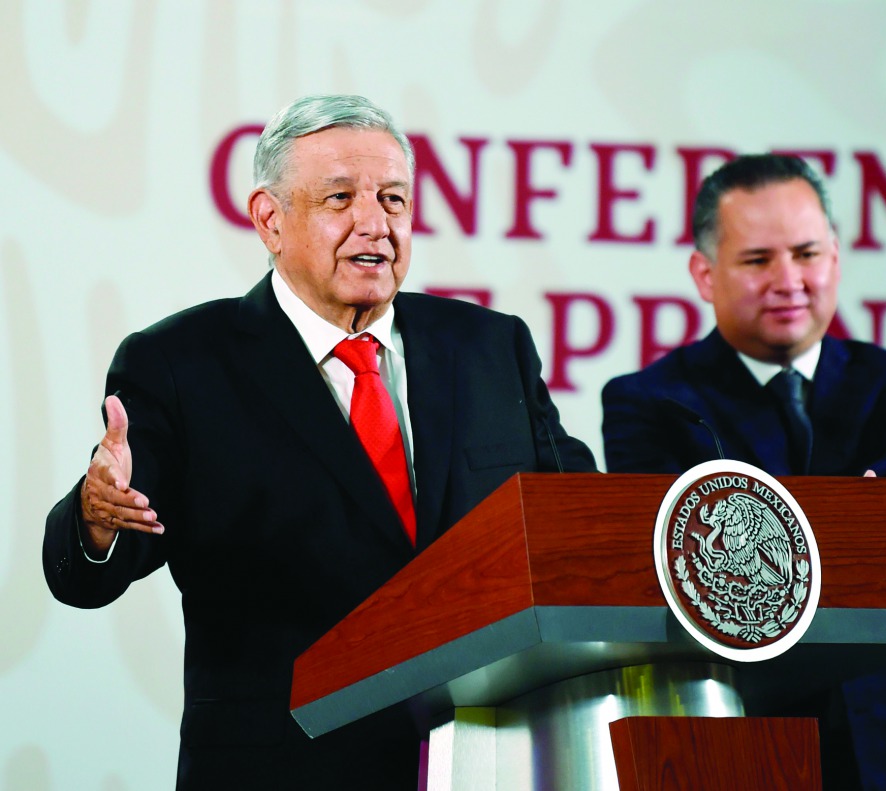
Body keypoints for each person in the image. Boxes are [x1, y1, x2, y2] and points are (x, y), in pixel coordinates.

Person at [42, 94, 595, 790]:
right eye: (341, 197)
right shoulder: (183, 364)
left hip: (484, 762)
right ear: (271, 219)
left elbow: (574, 519)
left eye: (394, 198)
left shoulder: (489, 346)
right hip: (283, 767)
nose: (376, 222)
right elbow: (96, 563)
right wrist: (96, 515)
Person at [602, 154, 886, 789]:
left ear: (835, 258)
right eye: (758, 261)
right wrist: (868, 535)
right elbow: (682, 567)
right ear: (705, 274)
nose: (789, 280)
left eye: (807, 254)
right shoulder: (649, 402)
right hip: (746, 733)